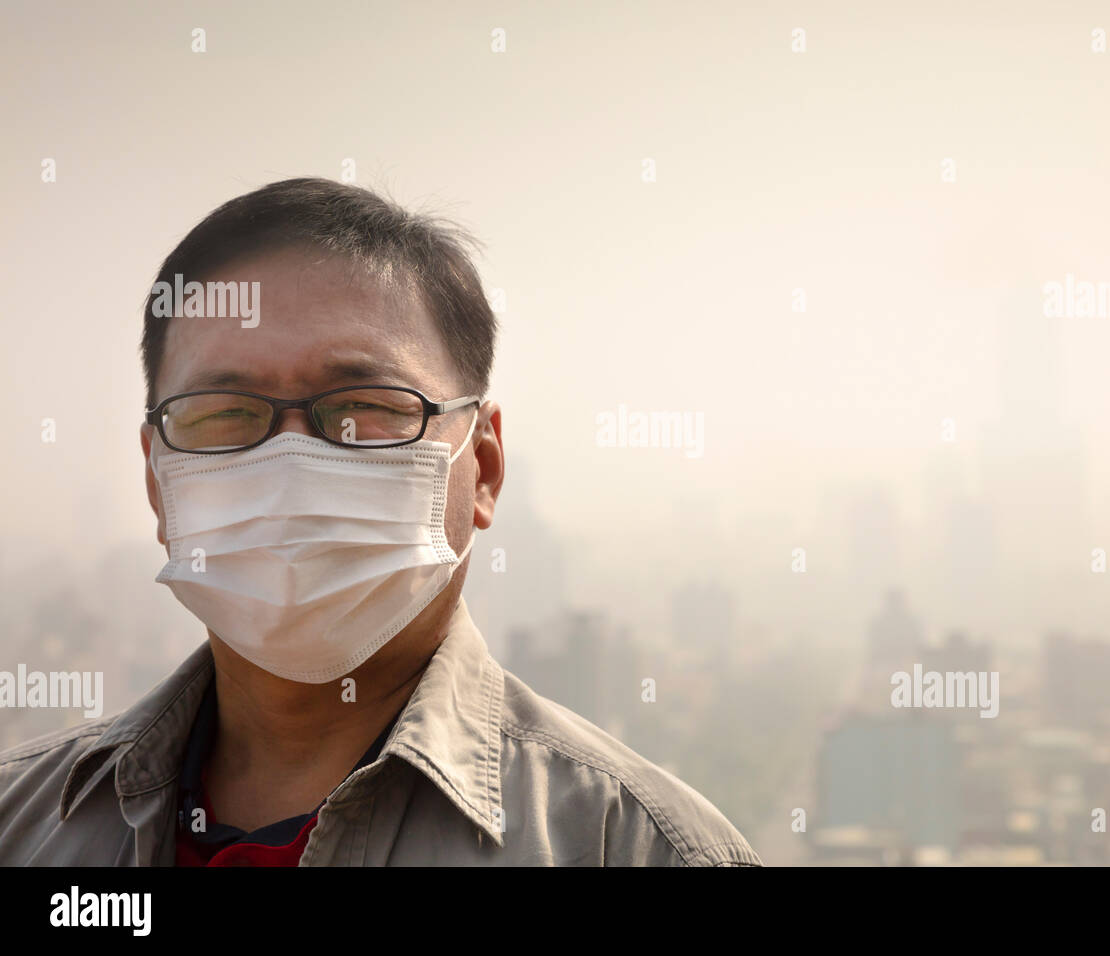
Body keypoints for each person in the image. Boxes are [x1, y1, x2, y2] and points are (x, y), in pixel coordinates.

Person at [0, 178, 761, 867]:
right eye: (224, 415)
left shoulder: (632, 849)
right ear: (158, 483)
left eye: (364, 407)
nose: (289, 463)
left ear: (483, 470)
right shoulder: (23, 828)